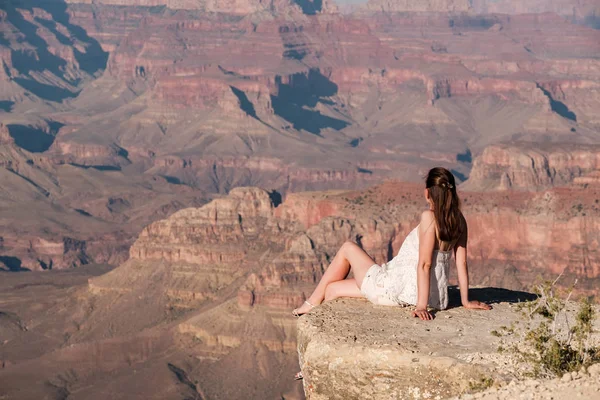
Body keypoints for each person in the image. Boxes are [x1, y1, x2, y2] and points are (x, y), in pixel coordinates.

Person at [292, 167, 491, 321]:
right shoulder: (460, 220)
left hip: (399, 289)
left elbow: (425, 264)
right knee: (332, 290)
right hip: (437, 298)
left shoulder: (429, 217)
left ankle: (310, 303)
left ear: (427, 193)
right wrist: (465, 301)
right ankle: (314, 352)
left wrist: (421, 306)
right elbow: (461, 263)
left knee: (347, 248)